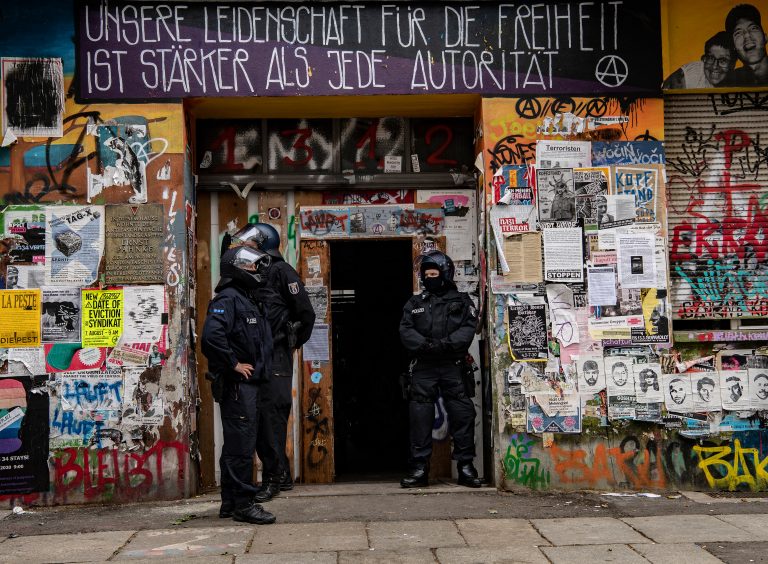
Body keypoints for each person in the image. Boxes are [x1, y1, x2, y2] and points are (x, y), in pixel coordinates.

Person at [228, 223, 316, 502]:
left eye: (250, 244)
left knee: (272, 417)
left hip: (276, 355)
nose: (243, 249)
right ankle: (282, 474)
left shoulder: (281, 271)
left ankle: (273, 478)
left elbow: (306, 314)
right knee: (260, 418)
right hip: (257, 356)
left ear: (264, 245)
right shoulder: (250, 272)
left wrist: (289, 342)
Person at [201, 246, 276, 525]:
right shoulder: (228, 299)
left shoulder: (248, 298)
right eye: (251, 266)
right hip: (237, 387)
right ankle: (244, 504)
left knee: (236, 444)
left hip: (250, 387)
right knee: (242, 446)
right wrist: (233, 364)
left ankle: (231, 502)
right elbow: (211, 337)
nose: (256, 270)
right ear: (237, 268)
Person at [399, 250, 480, 489]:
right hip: (424, 367)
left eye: (434, 273)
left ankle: (466, 467)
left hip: (452, 366)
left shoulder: (462, 301)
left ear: (445, 274)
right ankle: (419, 469)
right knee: (420, 417)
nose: (430, 278)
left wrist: (444, 345)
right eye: (427, 274)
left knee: (463, 414)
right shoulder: (415, 304)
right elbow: (405, 330)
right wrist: (425, 345)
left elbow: (467, 329)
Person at [663, 31, 736, 88]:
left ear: (732, 64)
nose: (714, 66)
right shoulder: (689, 76)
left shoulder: (738, 80)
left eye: (723, 60)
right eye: (710, 58)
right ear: (704, 59)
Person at [723, 4, 768, 86]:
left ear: (765, 37)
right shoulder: (729, 82)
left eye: (753, 28)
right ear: (733, 47)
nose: (747, 35)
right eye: (738, 33)